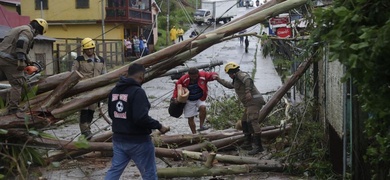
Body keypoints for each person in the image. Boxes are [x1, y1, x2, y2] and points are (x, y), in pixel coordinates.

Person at [105, 63, 170, 180]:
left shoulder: (114, 90)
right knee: (149, 174)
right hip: (138, 142)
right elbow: (140, 118)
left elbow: (111, 114)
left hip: (119, 139)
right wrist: (159, 125)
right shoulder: (137, 92)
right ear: (141, 76)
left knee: (114, 171)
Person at [0, 18, 48, 116]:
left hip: (2, 57)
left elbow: (16, 47)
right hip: (8, 60)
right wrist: (21, 60)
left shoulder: (21, 28)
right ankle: (13, 109)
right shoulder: (27, 32)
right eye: (39, 32)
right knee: (18, 83)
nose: (37, 34)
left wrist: (28, 62)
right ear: (39, 29)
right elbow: (21, 43)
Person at [216, 62, 266, 155]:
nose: (229, 76)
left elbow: (248, 79)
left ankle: (259, 147)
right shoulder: (236, 79)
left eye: (229, 74)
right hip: (249, 104)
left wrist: (247, 91)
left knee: (253, 121)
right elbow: (230, 85)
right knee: (244, 121)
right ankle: (248, 143)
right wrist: (218, 79)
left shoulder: (240, 74)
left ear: (233, 72)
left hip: (254, 102)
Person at [72, 37, 107, 140]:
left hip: (95, 89)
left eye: (91, 48)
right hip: (83, 89)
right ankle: (84, 131)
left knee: (91, 110)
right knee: (84, 110)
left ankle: (88, 128)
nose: (90, 51)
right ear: (84, 50)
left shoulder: (100, 60)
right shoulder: (79, 60)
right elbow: (73, 73)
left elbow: (104, 74)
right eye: (87, 49)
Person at [172, 67, 218, 134]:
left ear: (198, 74)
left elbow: (210, 75)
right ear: (189, 75)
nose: (194, 78)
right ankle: (194, 133)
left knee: (203, 107)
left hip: (200, 98)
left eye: (196, 76)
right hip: (188, 100)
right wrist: (175, 97)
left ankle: (201, 126)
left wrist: (214, 75)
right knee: (190, 118)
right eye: (193, 77)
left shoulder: (202, 75)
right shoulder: (184, 79)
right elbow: (177, 87)